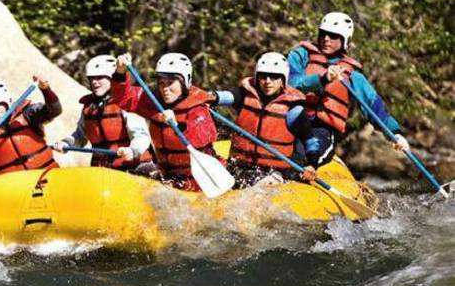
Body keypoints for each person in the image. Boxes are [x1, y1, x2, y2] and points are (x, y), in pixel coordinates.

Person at [287, 12, 409, 177]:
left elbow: (374, 107)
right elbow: (289, 83)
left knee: (303, 156)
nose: (326, 39)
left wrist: (394, 134)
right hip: (290, 121)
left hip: (321, 130)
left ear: (344, 40)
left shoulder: (352, 76)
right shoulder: (301, 55)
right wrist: (321, 79)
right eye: (323, 34)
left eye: (333, 36)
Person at [110, 52, 223, 192]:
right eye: (161, 83)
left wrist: (176, 125)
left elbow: (202, 137)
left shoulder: (197, 109)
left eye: (171, 83)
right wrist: (120, 73)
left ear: (184, 82)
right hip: (169, 178)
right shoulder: (153, 101)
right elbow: (123, 98)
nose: (165, 89)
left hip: (199, 180)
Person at [211, 52, 315, 187]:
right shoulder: (244, 95)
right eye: (263, 76)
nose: (267, 81)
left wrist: (312, 165)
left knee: (264, 185)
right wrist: (211, 96)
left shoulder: (293, 110)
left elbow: (310, 140)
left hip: (276, 171)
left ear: (283, 79)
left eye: (274, 77)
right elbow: (227, 96)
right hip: (240, 165)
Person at [52, 55, 155, 173]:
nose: (95, 82)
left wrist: (133, 150)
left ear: (111, 79)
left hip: (134, 167)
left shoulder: (126, 102)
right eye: (92, 78)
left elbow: (141, 135)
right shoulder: (89, 107)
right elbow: (80, 136)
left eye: (100, 78)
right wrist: (66, 143)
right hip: (103, 170)